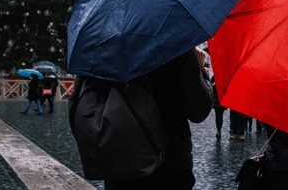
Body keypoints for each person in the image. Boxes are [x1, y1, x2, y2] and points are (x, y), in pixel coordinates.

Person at [71, 47, 212, 189]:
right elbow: (199, 110)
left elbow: (81, 102)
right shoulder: (175, 37)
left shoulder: (102, 42)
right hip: (169, 165)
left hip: (119, 158)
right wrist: (199, 66)